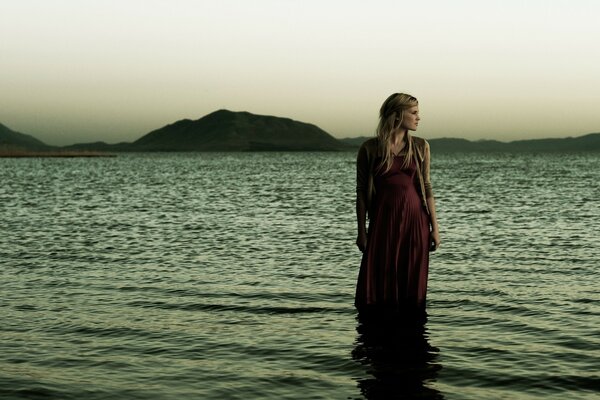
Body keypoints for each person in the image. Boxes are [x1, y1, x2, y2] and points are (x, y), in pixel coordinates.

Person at [355, 93, 440, 314]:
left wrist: (435, 229)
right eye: (413, 113)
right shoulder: (370, 149)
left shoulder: (421, 147)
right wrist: (361, 232)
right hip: (383, 222)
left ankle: (411, 333)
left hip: (416, 223)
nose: (418, 118)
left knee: (411, 285)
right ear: (396, 114)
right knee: (377, 282)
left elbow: (427, 188)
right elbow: (362, 192)